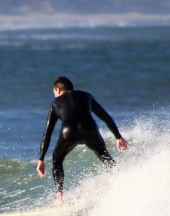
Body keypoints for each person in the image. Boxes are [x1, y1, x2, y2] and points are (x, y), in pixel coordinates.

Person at [37, 76, 130, 205]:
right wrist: (118, 137)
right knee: (103, 154)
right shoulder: (86, 96)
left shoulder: (55, 103)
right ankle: (122, 183)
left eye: (54, 92)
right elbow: (105, 116)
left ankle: (59, 197)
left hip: (68, 132)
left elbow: (47, 134)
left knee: (57, 159)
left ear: (58, 90)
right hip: (90, 128)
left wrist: (41, 159)